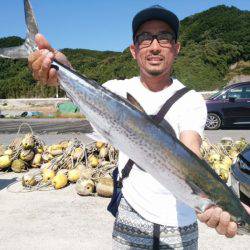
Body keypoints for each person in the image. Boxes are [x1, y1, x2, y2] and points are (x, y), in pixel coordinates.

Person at [28, 5, 245, 249]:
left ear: (176, 48)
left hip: (181, 228)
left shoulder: (191, 99)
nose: (154, 46)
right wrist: (60, 67)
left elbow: (191, 153)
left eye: (164, 37)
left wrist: (230, 203)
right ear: (133, 50)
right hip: (128, 222)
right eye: (145, 38)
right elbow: (78, 81)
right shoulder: (115, 90)